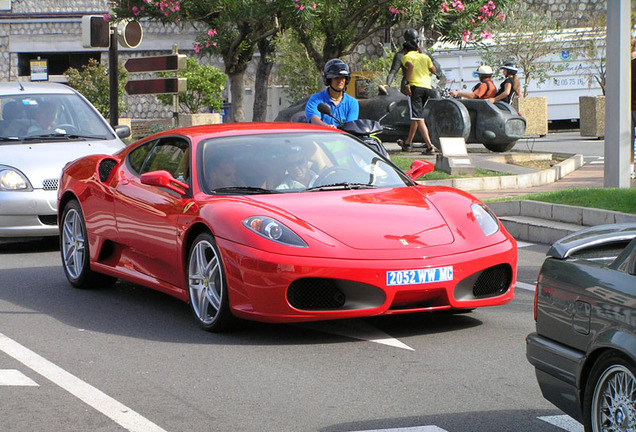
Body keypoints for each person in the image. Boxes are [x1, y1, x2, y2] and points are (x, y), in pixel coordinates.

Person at [397, 41, 436, 154]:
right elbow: (433, 70)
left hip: (415, 87)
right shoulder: (425, 56)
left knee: (418, 117)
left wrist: (407, 82)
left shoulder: (406, 57)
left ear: (405, 50)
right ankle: (408, 143)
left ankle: (429, 146)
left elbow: (411, 66)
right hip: (427, 88)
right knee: (416, 116)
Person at [386, 29, 444, 95]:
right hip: (409, 86)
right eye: (415, 39)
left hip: (423, 84)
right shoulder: (400, 55)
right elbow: (393, 72)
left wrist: (438, 73)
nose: (417, 40)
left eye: (417, 38)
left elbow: (434, 62)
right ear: (409, 41)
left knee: (436, 95)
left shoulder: (423, 51)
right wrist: (387, 85)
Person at [305, 59, 359, 127]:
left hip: (343, 137)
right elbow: (314, 120)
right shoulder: (315, 99)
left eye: (342, 78)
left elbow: (351, 126)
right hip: (321, 136)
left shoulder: (352, 103)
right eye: (336, 78)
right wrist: (327, 128)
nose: (340, 81)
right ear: (328, 80)